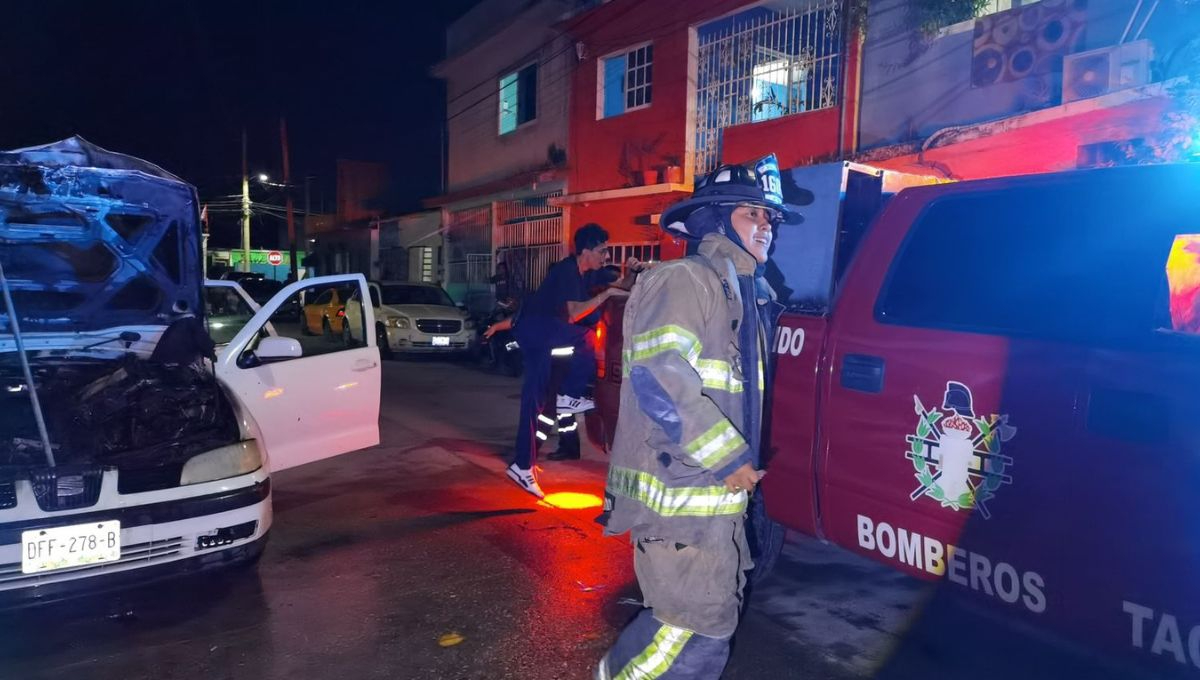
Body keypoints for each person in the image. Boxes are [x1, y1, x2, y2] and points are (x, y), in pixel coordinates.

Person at [595, 155, 802, 679]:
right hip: (681, 499)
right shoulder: (687, 280)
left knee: (705, 623)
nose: (766, 228)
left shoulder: (745, 295)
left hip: (713, 504)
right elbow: (659, 377)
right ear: (714, 219)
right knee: (693, 631)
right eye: (751, 214)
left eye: (769, 219)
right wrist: (728, 456)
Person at [497, 223, 629, 498]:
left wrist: (634, 274)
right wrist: (605, 295)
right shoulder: (566, 271)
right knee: (584, 340)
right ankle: (524, 463)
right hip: (538, 337)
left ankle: (526, 462)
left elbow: (618, 287)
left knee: (539, 401)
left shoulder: (581, 274)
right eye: (602, 251)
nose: (606, 256)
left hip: (547, 337)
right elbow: (573, 314)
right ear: (585, 251)